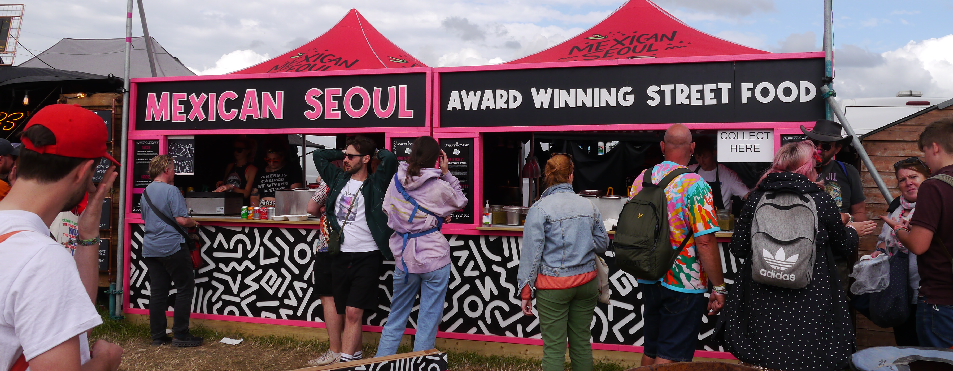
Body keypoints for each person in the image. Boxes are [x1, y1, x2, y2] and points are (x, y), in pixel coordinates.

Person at [0, 104, 123, 371]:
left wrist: (88, 234)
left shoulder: (24, 247)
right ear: (82, 172)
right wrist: (105, 362)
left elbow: (68, 323)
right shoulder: (41, 259)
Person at [718, 141, 857, 371]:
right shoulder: (821, 201)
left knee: (764, 361)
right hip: (810, 300)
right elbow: (844, 246)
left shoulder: (756, 199)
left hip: (762, 300)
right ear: (807, 167)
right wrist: (851, 231)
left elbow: (739, 248)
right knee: (807, 361)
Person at [628, 124, 726, 365]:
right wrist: (719, 287)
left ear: (662, 147)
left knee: (651, 348)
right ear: (692, 148)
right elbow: (704, 241)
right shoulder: (696, 185)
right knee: (671, 356)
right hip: (683, 281)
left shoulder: (642, 180)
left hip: (649, 275)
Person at [377, 136, 468, 357]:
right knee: (427, 320)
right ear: (437, 158)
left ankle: (381, 364)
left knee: (396, 316)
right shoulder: (438, 187)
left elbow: (387, 209)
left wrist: (411, 222)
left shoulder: (396, 181)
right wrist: (446, 173)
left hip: (403, 258)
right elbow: (461, 200)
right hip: (434, 259)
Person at [516, 153, 608, 371]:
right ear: (571, 175)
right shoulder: (589, 206)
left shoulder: (539, 209)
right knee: (582, 344)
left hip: (553, 286)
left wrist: (525, 292)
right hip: (586, 284)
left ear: (548, 176)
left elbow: (532, 254)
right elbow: (602, 244)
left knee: (554, 349)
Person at [313, 135, 397, 363]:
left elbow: (390, 159)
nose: (346, 160)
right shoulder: (339, 177)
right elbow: (318, 156)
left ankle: (346, 363)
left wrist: (374, 151)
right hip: (339, 254)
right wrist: (342, 153)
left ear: (366, 158)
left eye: (351, 156)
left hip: (367, 255)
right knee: (347, 312)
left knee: (353, 312)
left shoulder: (376, 183)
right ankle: (356, 357)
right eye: (345, 156)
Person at [885, 118, 953, 348]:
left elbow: (919, 245)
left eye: (924, 152)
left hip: (942, 300)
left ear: (934, 146)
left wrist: (900, 229)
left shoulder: (934, 186)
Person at [801, 119, 877, 292]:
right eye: (814, 143)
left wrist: (847, 222)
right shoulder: (798, 169)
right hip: (802, 253)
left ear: (837, 148)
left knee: (835, 306)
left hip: (835, 255)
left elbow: (859, 213)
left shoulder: (847, 171)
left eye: (826, 146)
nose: (818, 149)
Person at [140, 155, 203, 347]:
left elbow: (145, 217)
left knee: (158, 292)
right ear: (166, 170)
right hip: (172, 246)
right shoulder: (172, 191)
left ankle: (158, 336)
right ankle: (181, 334)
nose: (174, 171)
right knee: (185, 288)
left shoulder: (145, 192)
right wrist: (195, 222)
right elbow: (182, 220)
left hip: (151, 248)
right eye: (173, 168)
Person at [869, 157, 929, 346]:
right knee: (905, 344)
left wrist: (906, 232)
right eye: (902, 180)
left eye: (913, 176)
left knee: (929, 349)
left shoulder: (933, 207)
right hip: (898, 289)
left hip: (926, 291)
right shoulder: (895, 208)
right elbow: (883, 241)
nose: (908, 183)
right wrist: (879, 251)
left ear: (926, 178)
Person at [304, 177, 344, 366]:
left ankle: (335, 350)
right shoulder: (364, 178)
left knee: (329, 298)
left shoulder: (329, 180)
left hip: (328, 246)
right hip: (357, 248)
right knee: (350, 300)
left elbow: (311, 208)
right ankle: (349, 352)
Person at [690, 136, 750, 215]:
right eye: (698, 157)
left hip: (721, 223)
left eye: (705, 157)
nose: (701, 161)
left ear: (714, 153)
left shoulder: (727, 175)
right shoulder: (689, 172)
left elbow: (747, 196)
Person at [213, 137, 258, 205]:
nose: (235, 152)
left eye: (239, 150)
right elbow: (226, 185)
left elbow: (246, 193)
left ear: (247, 151)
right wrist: (221, 185)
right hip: (226, 204)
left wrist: (232, 187)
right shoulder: (230, 166)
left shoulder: (251, 169)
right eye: (234, 149)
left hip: (241, 207)